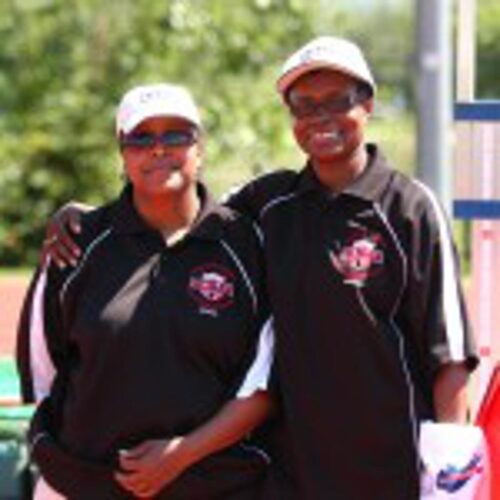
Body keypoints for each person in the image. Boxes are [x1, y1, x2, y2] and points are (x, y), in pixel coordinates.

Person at [42, 37, 478, 498]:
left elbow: (448, 354)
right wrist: (82, 214)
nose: (320, 118)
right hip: (291, 466)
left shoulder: (410, 207)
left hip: (390, 460)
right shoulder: (271, 203)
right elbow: (176, 204)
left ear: (367, 104)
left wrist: (449, 477)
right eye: (303, 106)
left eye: (337, 101)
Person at [17, 83, 277, 499]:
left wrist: (179, 456)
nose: (159, 149)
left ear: (200, 147)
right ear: (122, 153)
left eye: (176, 135)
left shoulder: (247, 245)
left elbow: (265, 383)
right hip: (82, 485)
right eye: (141, 138)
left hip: (214, 488)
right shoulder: (75, 245)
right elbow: (47, 373)